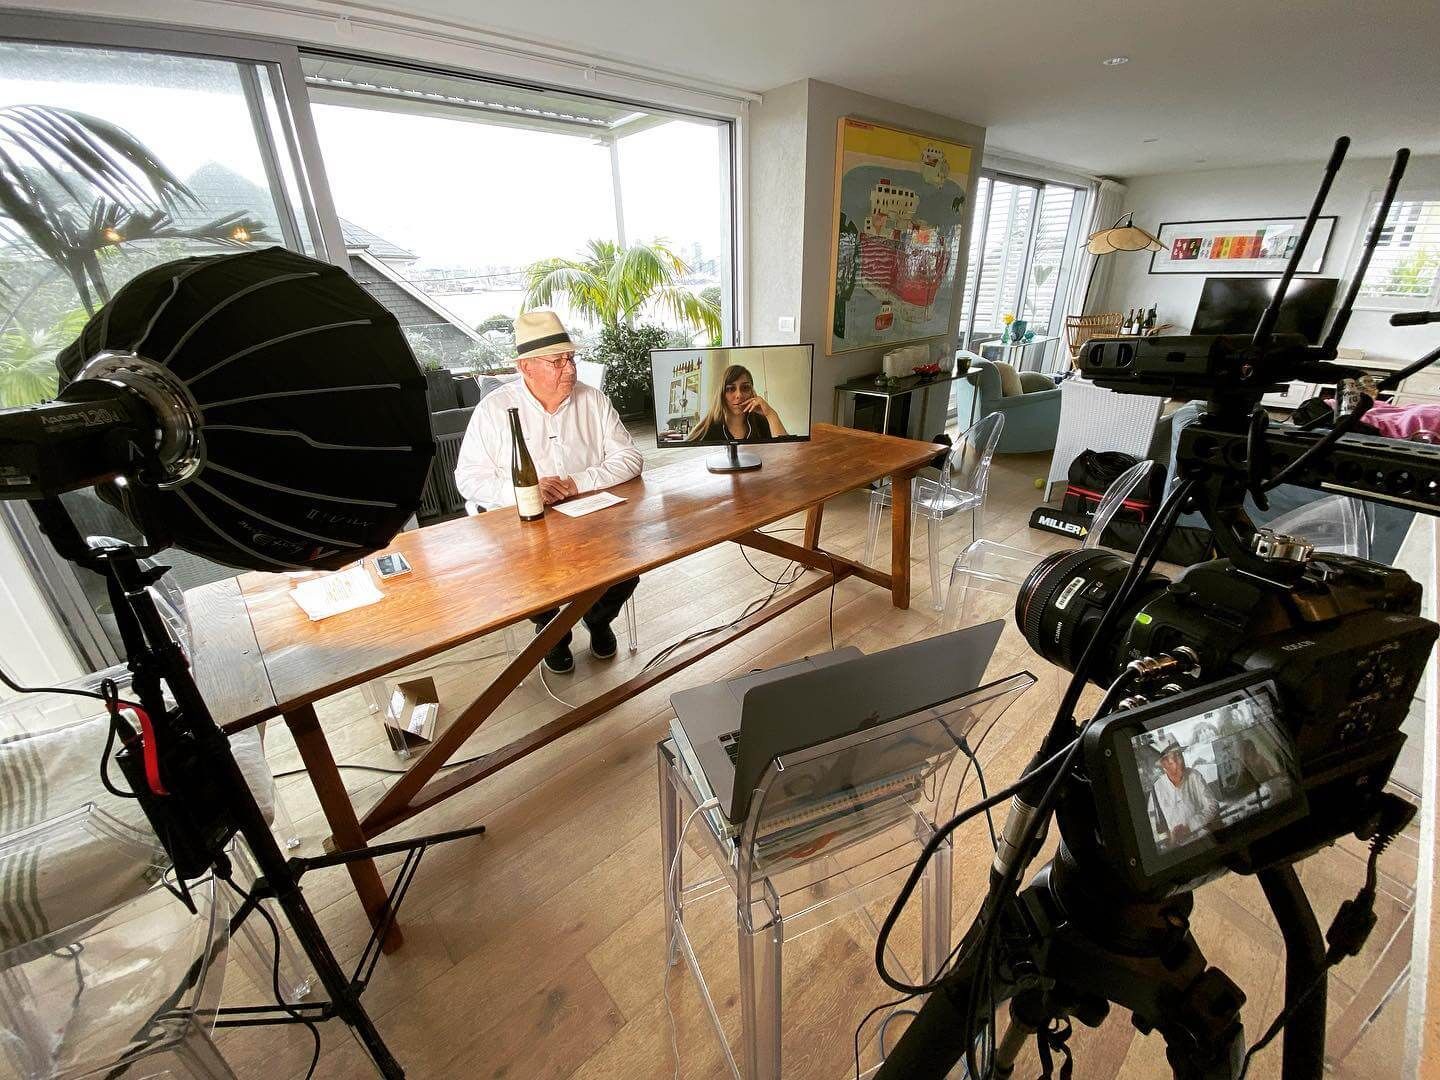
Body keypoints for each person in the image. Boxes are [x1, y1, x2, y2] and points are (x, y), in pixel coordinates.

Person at [454, 310, 643, 674]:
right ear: (526, 367)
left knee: (630, 564)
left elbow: (631, 459)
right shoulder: (494, 410)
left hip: (589, 520)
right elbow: (468, 479)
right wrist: (526, 491)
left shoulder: (593, 400)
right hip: (523, 527)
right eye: (557, 362)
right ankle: (552, 632)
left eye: (571, 358)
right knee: (525, 576)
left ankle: (597, 619)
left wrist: (577, 482)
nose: (569, 369)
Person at [686, 364, 788, 444]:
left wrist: (770, 414)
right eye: (730, 389)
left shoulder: (761, 422)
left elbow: (786, 454)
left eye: (745, 388)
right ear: (722, 394)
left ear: (752, 391)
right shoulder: (708, 429)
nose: (738, 395)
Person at [1150, 737, 1219, 847]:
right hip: (1177, 847)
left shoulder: (1194, 775)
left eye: (1180, 755)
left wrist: (1190, 827)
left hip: (1204, 839)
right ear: (1165, 764)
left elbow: (1213, 805)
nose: (1181, 761)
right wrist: (1169, 839)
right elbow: (1153, 826)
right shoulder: (1157, 788)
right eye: (1176, 757)